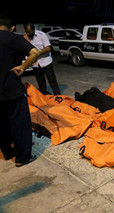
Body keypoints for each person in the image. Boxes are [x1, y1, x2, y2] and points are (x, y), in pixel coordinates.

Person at [0, 15, 40, 167]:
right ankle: (23, 157)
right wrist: (23, 67)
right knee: (20, 123)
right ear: (12, 27)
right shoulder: (13, 38)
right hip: (11, 89)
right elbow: (35, 53)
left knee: (1, 124)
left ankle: (8, 152)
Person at [23, 22, 61, 95]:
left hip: (46, 62)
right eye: (26, 32)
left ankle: (58, 96)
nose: (28, 34)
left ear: (33, 29)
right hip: (35, 64)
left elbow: (48, 48)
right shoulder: (26, 37)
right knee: (41, 83)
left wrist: (37, 54)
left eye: (29, 32)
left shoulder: (41, 35)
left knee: (52, 81)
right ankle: (45, 97)